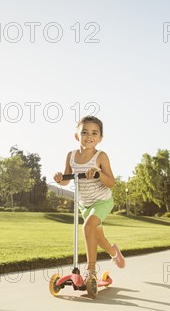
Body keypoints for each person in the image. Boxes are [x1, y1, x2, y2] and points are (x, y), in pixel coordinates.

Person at [54, 116, 125, 282]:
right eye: (84, 132)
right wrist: (59, 178)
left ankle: (91, 270)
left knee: (88, 227)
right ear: (76, 136)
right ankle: (114, 252)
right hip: (84, 204)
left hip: (102, 201)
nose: (89, 136)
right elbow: (65, 180)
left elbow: (112, 183)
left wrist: (98, 173)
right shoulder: (70, 156)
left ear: (100, 138)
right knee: (98, 238)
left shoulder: (101, 156)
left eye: (94, 133)